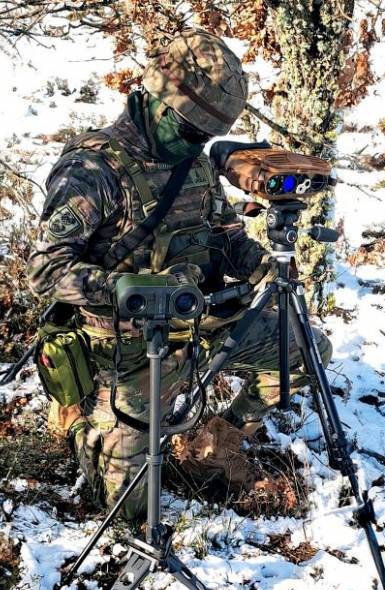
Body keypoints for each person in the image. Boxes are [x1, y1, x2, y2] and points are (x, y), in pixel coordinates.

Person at [28, 29, 331, 519]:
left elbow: (225, 234)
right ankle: (85, 421)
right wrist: (127, 290)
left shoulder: (194, 164)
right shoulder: (93, 171)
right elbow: (45, 270)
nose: (198, 146)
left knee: (304, 350)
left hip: (202, 326)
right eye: (191, 133)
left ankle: (216, 437)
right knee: (132, 512)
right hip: (128, 352)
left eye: (205, 137)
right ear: (156, 102)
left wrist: (262, 267)